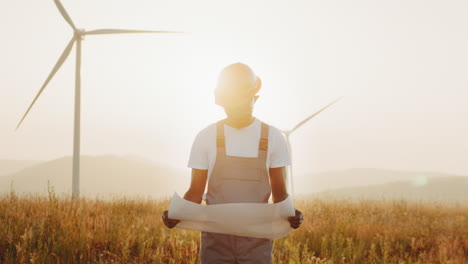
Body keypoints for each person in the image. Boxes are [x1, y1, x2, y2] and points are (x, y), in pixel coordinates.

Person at [162, 62, 304, 263]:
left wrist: (292, 214)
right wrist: (176, 214)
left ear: (255, 98)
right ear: (222, 102)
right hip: (216, 242)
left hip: (257, 241)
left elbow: (280, 195)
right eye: (231, 104)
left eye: (242, 102)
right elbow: (195, 191)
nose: (236, 109)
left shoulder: (273, 138)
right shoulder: (206, 137)